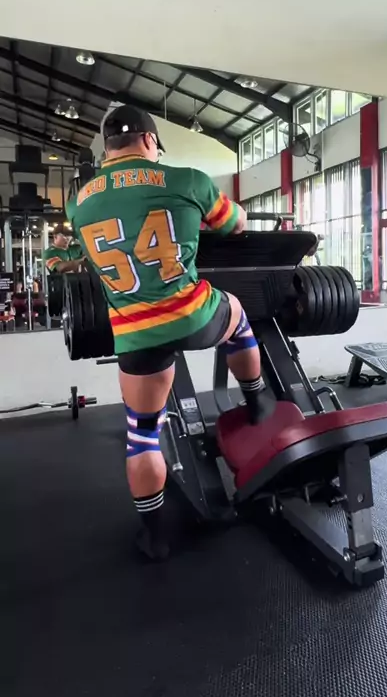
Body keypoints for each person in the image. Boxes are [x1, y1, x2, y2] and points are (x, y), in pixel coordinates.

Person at [67, 104, 274, 560]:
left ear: (108, 147)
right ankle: (257, 400)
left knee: (142, 435)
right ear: (148, 140)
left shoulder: (78, 200)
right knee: (238, 314)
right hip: (193, 317)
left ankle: (154, 536)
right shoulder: (187, 180)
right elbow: (235, 223)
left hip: (135, 334)